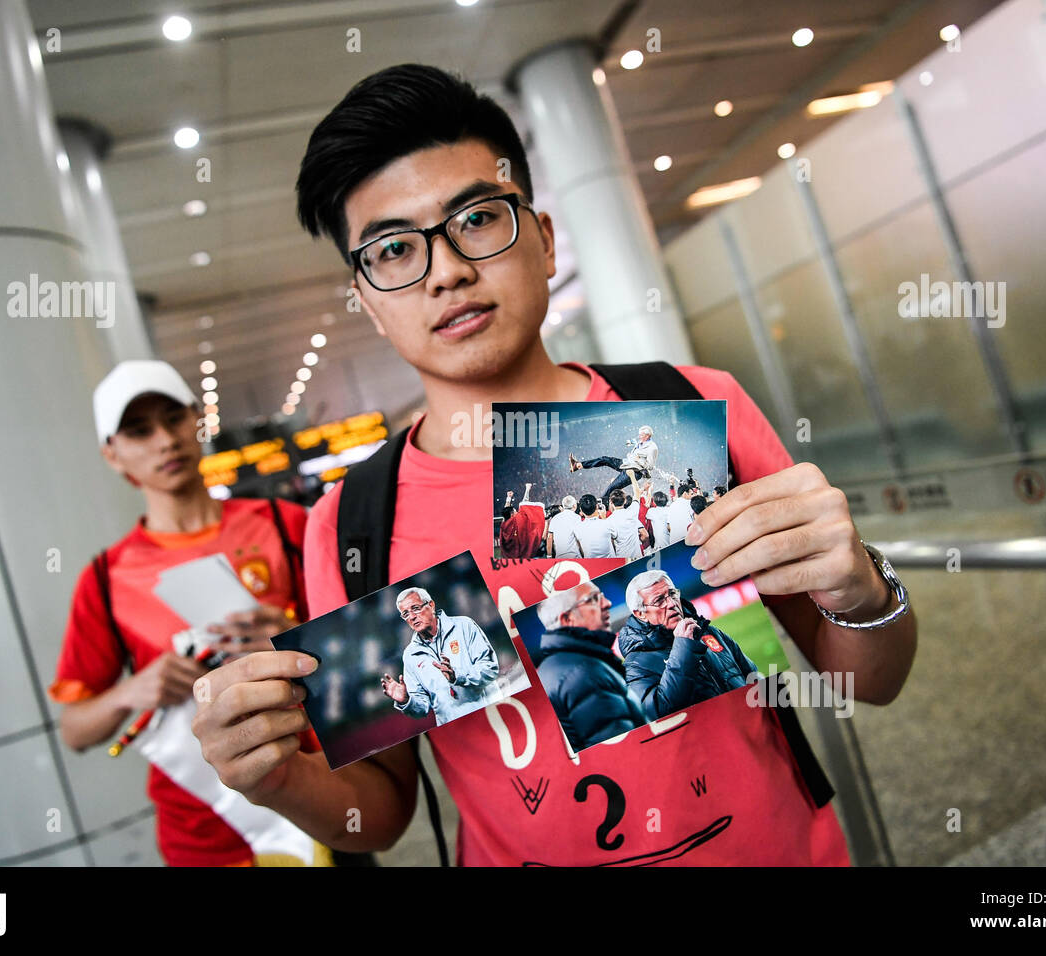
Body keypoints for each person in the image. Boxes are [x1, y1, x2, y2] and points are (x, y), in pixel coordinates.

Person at [192, 64, 917, 866]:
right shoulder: (353, 524)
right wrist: (272, 779)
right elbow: (384, 810)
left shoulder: (686, 410)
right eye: (394, 249)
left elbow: (864, 681)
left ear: (541, 239)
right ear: (366, 298)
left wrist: (860, 586)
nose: (447, 270)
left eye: (476, 219)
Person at [49, 360, 333, 867]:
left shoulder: (287, 525)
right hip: (202, 830)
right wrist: (132, 691)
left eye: (173, 419)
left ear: (197, 421)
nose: (164, 441)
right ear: (112, 455)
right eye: (139, 431)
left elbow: (366, 658)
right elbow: (75, 730)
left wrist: (296, 641)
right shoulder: (105, 579)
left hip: (318, 797)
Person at [618, 570, 757, 720]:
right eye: (659, 600)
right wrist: (683, 646)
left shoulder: (709, 632)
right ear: (640, 614)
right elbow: (658, 713)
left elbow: (752, 675)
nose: (671, 604)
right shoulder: (636, 665)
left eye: (672, 594)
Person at [531, 582, 647, 752]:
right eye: (594, 599)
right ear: (568, 619)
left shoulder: (556, 667)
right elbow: (622, 751)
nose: (607, 603)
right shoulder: (584, 673)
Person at [380, 587, 500, 726]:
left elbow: (490, 669)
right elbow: (421, 709)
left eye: (415, 608)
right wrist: (407, 701)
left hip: (490, 716)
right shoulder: (410, 655)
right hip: (454, 731)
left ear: (431, 605)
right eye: (405, 613)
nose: (412, 617)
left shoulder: (464, 626)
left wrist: (457, 676)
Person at [568, 425, 658, 499]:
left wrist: (637, 459)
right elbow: (631, 446)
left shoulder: (652, 448)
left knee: (611, 488)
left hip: (634, 471)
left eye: (641, 435)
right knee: (605, 459)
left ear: (647, 436)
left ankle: (601, 507)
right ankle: (578, 465)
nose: (639, 436)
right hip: (626, 463)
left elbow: (650, 466)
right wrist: (631, 452)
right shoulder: (640, 442)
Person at [497, 484, 545, 558]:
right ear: (512, 514)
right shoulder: (517, 520)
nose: (517, 512)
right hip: (522, 554)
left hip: (509, 556)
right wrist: (527, 489)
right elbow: (524, 504)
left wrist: (508, 498)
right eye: (515, 511)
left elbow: (505, 512)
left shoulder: (504, 524)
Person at [606, 489, 647, 559]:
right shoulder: (632, 512)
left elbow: (610, 542)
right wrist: (632, 478)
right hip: (637, 557)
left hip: (621, 558)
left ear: (611, 502)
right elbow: (637, 493)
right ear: (625, 501)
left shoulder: (609, 521)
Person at [573, 492, 616, 559]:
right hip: (610, 563)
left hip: (591, 564)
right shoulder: (606, 523)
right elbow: (615, 536)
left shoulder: (577, 528)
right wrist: (604, 518)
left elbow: (581, 549)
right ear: (596, 506)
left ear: (581, 510)